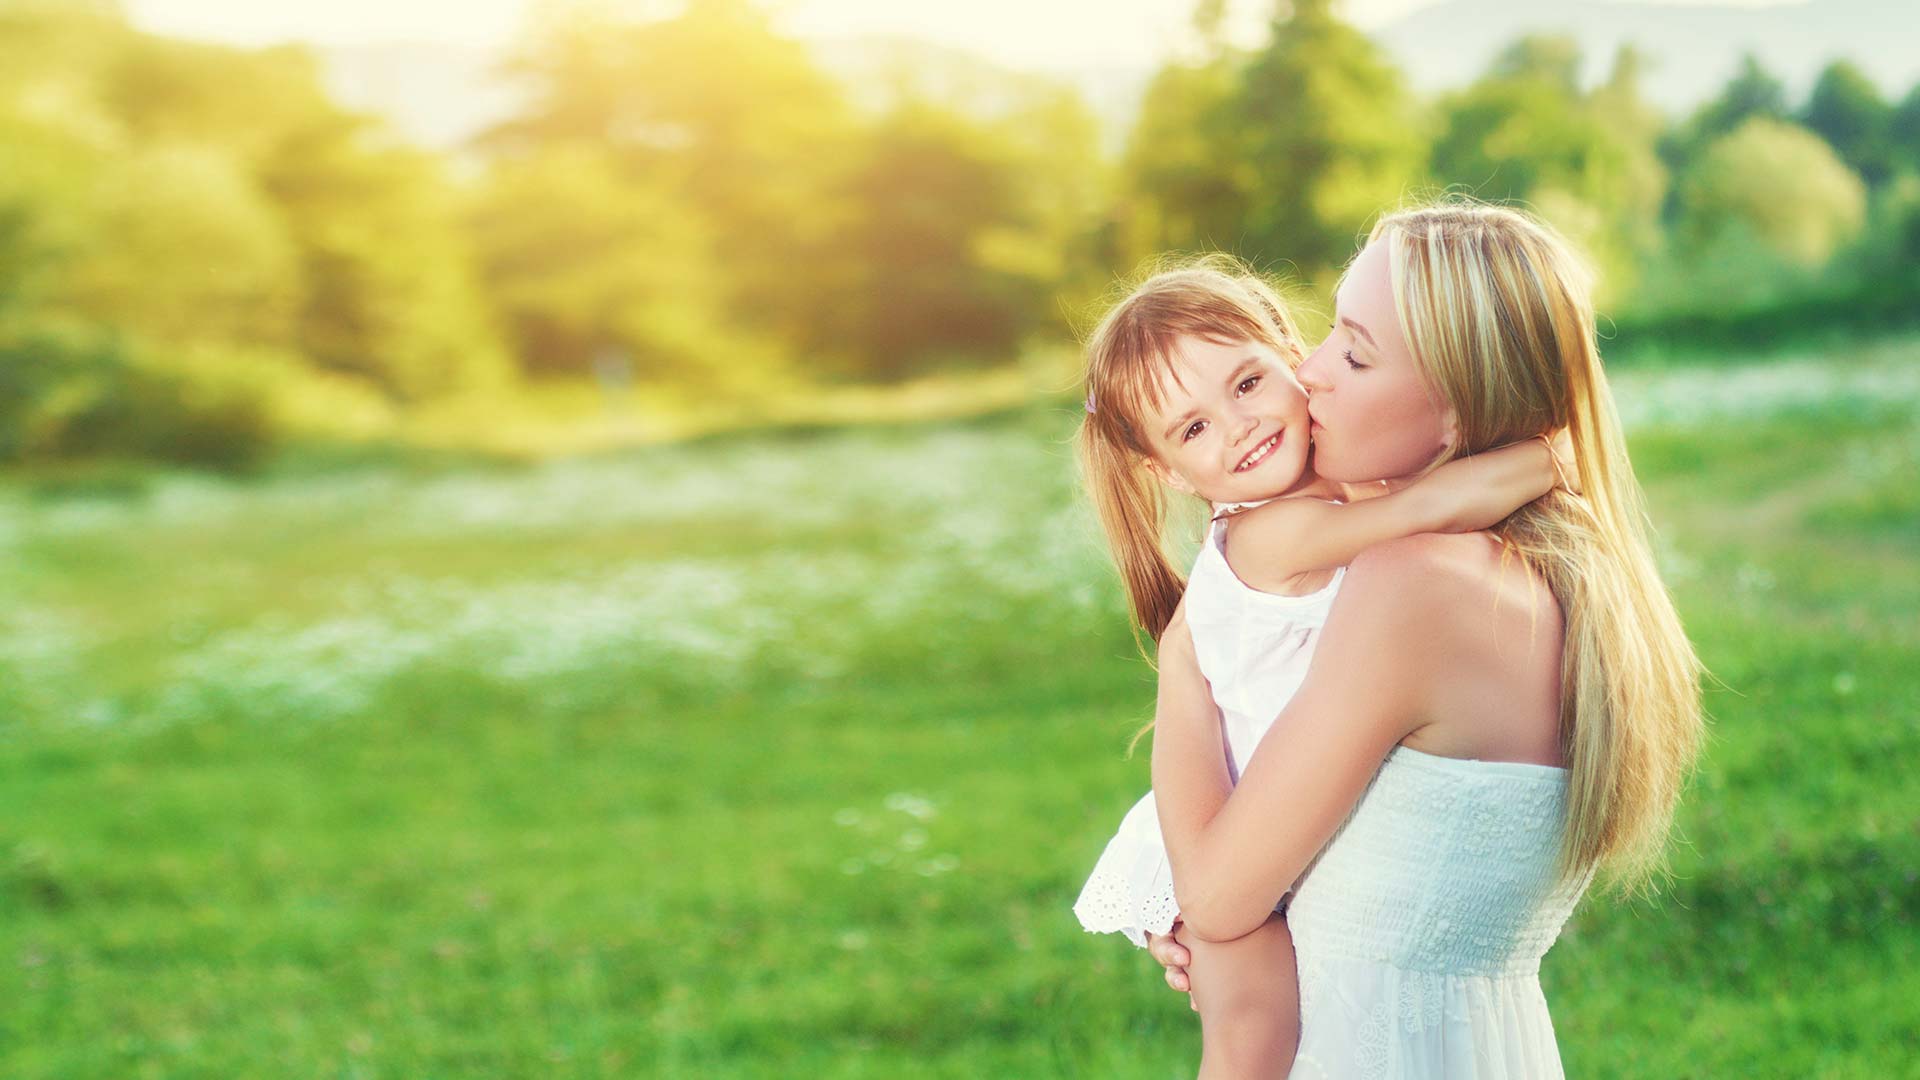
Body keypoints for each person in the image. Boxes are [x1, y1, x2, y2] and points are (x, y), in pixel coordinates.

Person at [1142, 199, 1705, 1078]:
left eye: (1356, 352)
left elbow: (1215, 895)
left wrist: (1183, 668)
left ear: (1457, 413)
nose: (1310, 370)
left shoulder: (1417, 586)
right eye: (1329, 329)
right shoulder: (1542, 569)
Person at [1069, 253, 1577, 1077]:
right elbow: (1429, 507)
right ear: (1167, 472)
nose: (1238, 427)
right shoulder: (1269, 535)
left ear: (1287, 356)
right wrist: (1552, 455)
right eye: (1193, 428)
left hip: (1268, 822)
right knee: (1253, 1037)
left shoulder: (1339, 496)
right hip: (1227, 822)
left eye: (1245, 385)